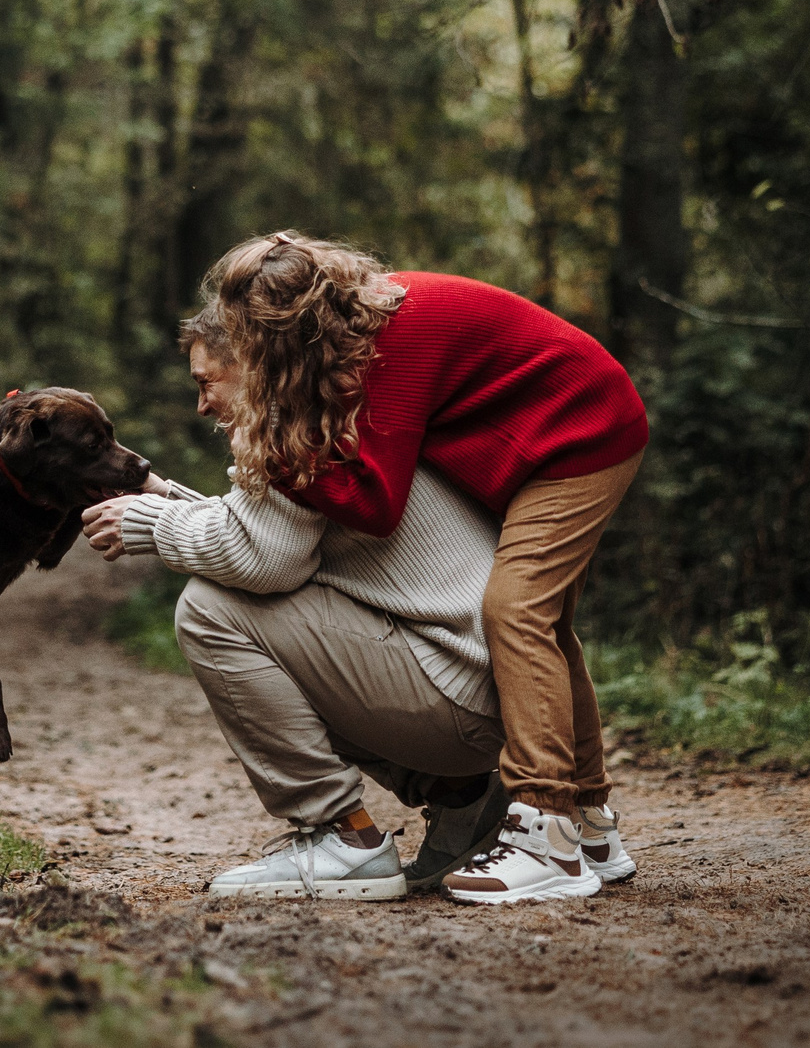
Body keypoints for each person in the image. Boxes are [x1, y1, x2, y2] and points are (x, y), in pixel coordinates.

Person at [187, 231, 648, 904]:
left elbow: (374, 499)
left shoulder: (392, 342)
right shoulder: (362, 329)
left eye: (254, 342)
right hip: (547, 439)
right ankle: (593, 827)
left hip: (582, 433)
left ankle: (547, 829)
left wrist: (267, 457)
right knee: (546, 624)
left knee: (515, 609)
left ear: (288, 330)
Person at [79, 302, 518, 898]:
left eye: (207, 381)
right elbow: (266, 533)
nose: (202, 403)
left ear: (255, 367)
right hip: (476, 682)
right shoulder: (329, 406)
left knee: (211, 611)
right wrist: (158, 496)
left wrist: (151, 525)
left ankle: (344, 836)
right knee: (251, 607)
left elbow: (263, 563)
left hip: (454, 693)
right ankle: (462, 799)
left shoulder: (293, 428)